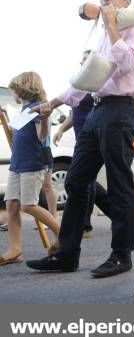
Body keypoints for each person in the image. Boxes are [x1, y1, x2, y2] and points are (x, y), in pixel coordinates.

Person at [26, 0, 134, 277]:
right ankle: (67, 255)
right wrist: (52, 103)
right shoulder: (103, 37)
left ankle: (121, 255)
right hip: (96, 111)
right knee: (76, 181)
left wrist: (112, 27)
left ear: (126, 2)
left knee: (119, 185)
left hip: (121, 111)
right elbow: (84, 81)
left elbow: (129, 64)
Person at [1, 72, 60, 266]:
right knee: (11, 204)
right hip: (17, 163)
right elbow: (14, 134)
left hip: (32, 164)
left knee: (28, 205)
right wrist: (5, 117)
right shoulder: (24, 111)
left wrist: (44, 118)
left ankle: (64, 235)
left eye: (14, 91)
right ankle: (15, 249)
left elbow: (43, 137)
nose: (13, 95)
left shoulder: (37, 110)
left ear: (22, 89)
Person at [52, 50, 111, 238]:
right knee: (88, 181)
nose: (81, 62)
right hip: (81, 138)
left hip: (93, 137)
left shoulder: (97, 83)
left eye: (86, 60)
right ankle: (117, 214)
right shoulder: (79, 83)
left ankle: (85, 224)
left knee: (85, 180)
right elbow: (72, 112)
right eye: (82, 60)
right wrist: (61, 128)